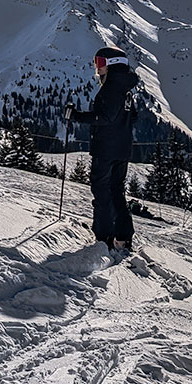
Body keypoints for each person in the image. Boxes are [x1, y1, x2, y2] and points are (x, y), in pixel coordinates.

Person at [65, 47, 138, 252]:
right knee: (116, 191)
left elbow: (104, 117)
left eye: (100, 62)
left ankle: (104, 237)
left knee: (102, 191)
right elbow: (133, 117)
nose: (97, 68)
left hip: (106, 149)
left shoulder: (112, 87)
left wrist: (76, 116)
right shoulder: (125, 89)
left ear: (112, 64)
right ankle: (123, 236)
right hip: (122, 148)